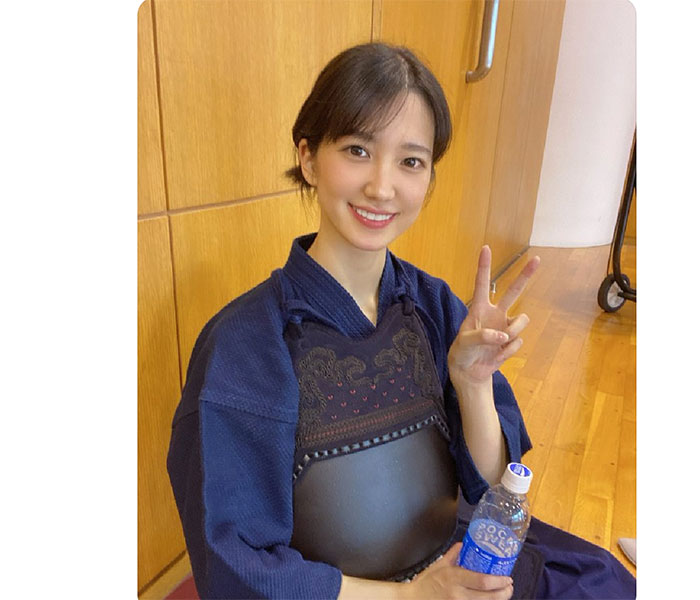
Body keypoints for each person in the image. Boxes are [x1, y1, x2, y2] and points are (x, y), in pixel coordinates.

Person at [167, 43, 636, 600]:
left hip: (450, 562)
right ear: (309, 157)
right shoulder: (245, 344)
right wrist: (409, 596)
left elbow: (492, 487)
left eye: (410, 161)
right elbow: (237, 567)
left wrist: (473, 384)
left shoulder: (433, 304)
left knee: (605, 582)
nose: (382, 187)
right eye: (358, 150)